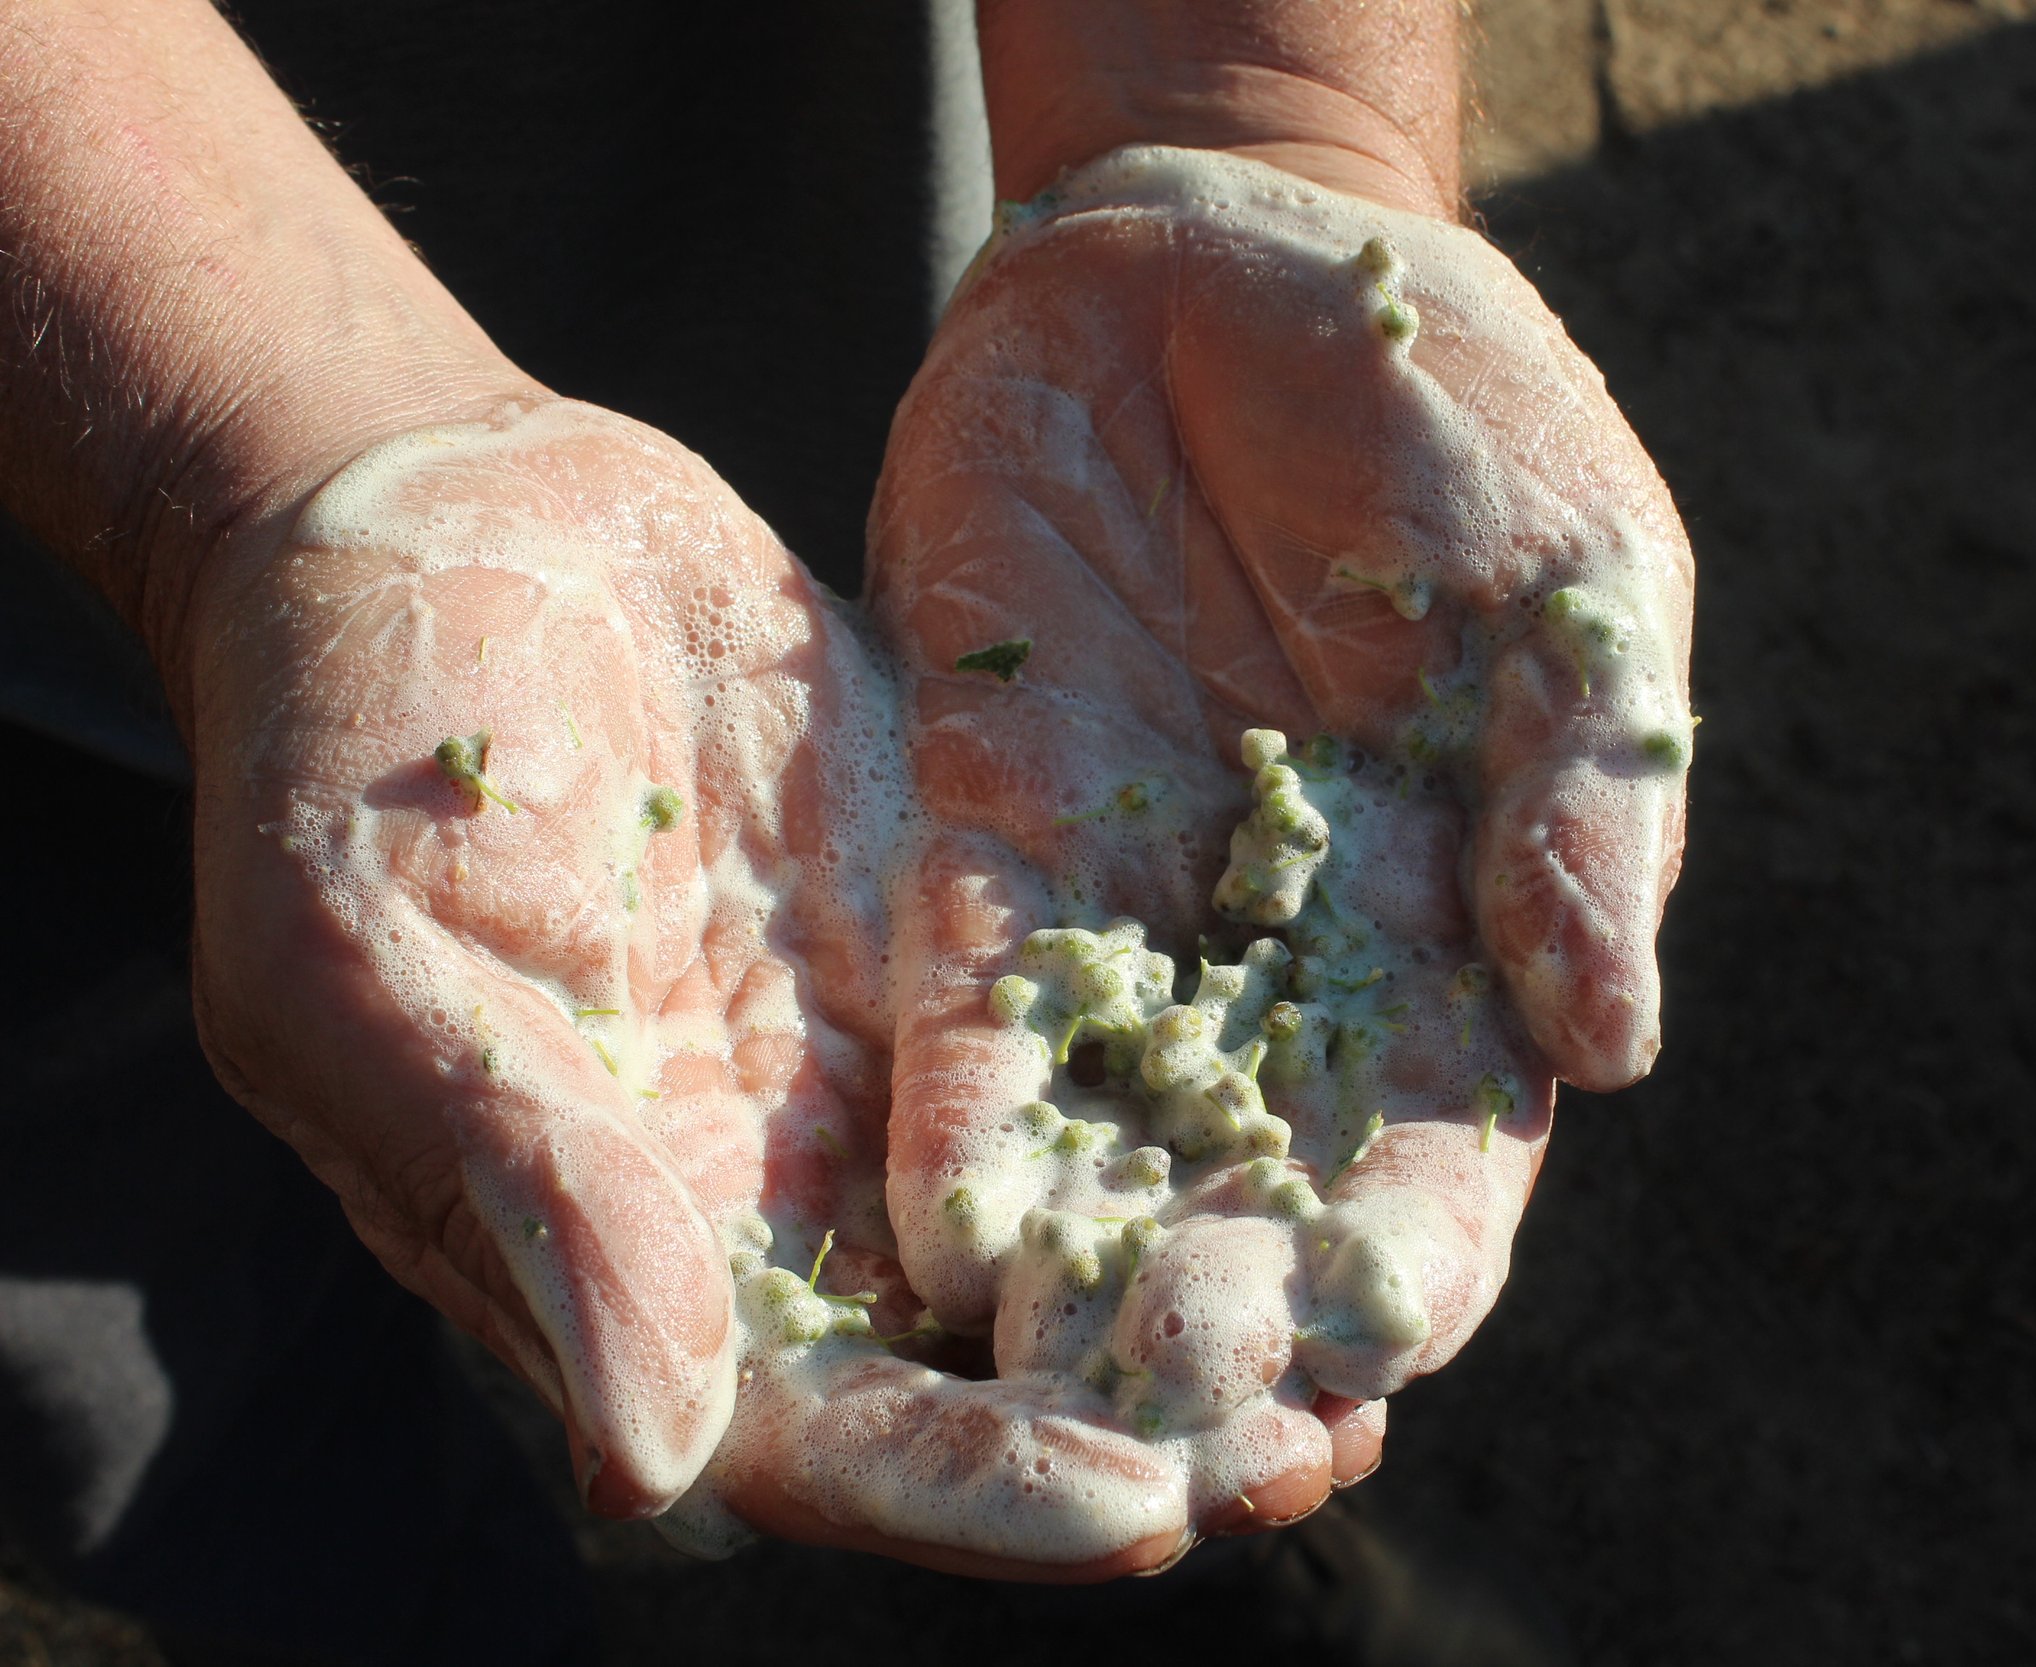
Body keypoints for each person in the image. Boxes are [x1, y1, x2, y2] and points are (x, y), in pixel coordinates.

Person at [0, 1, 1694, 1658]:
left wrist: (1253, 116)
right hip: (56, 530)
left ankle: (1181, 1550)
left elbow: (1232, 119)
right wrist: (233, 445)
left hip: (1003, 415)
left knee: (1125, 1320)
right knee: (172, 1389)